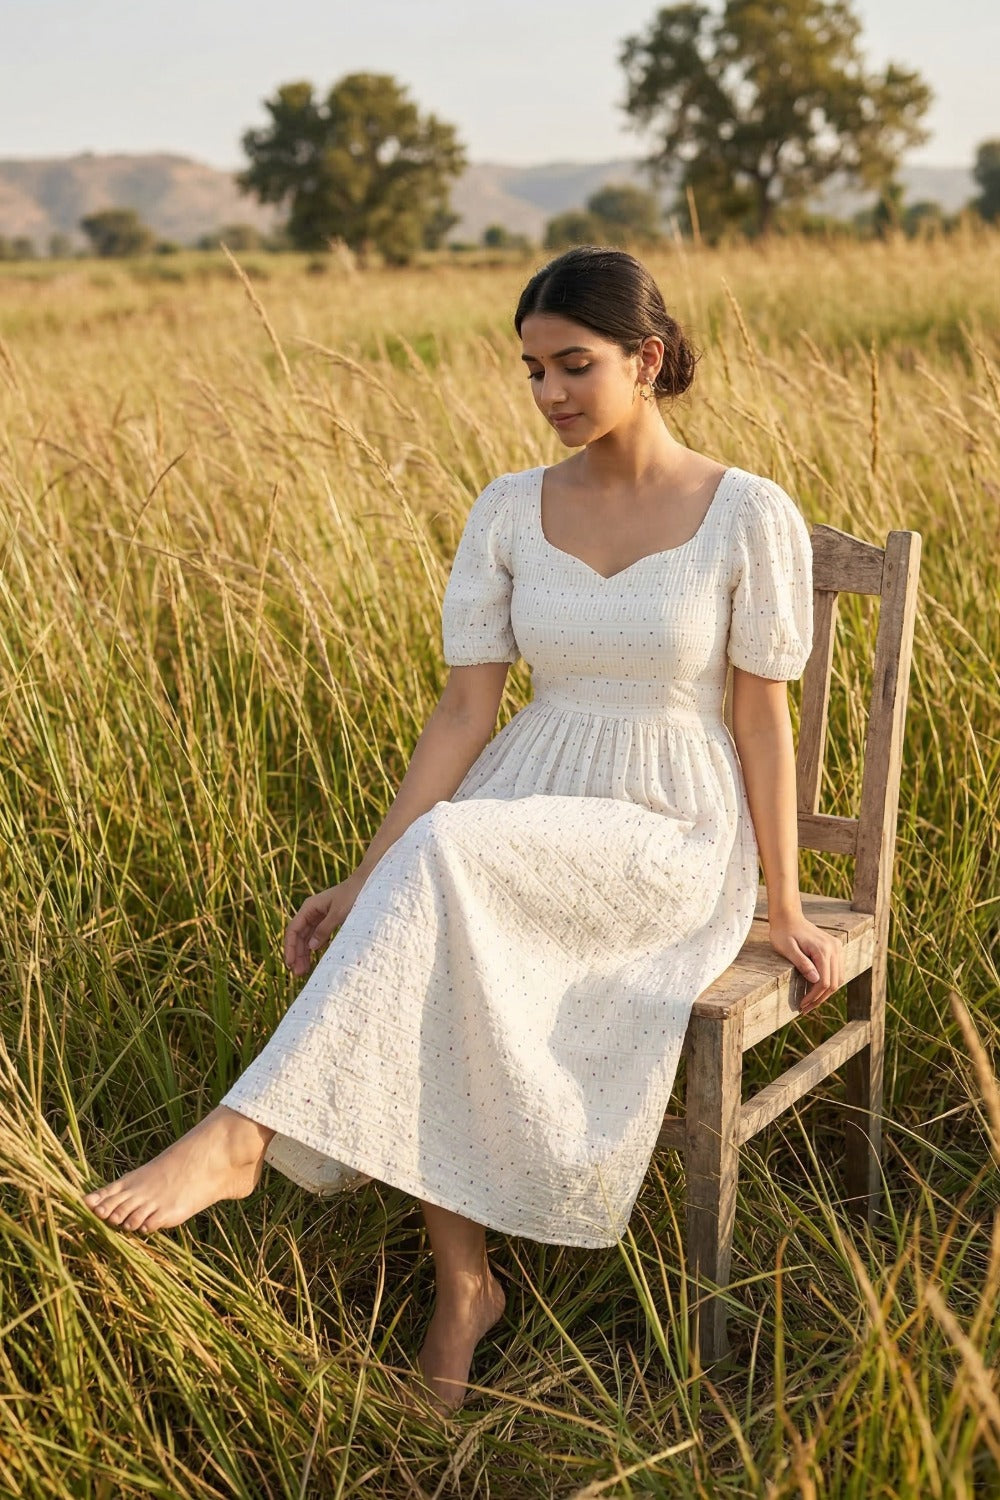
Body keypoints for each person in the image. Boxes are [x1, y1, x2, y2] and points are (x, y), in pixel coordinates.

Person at [81, 245, 844, 1417]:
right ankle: (463, 1285)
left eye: (574, 366)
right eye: (532, 370)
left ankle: (244, 1136)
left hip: (669, 829)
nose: (549, 395)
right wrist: (360, 874)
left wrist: (778, 904)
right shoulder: (508, 508)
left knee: (442, 862)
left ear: (646, 359)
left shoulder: (744, 511)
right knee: (424, 893)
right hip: (522, 799)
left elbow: (761, 716)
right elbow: (463, 710)